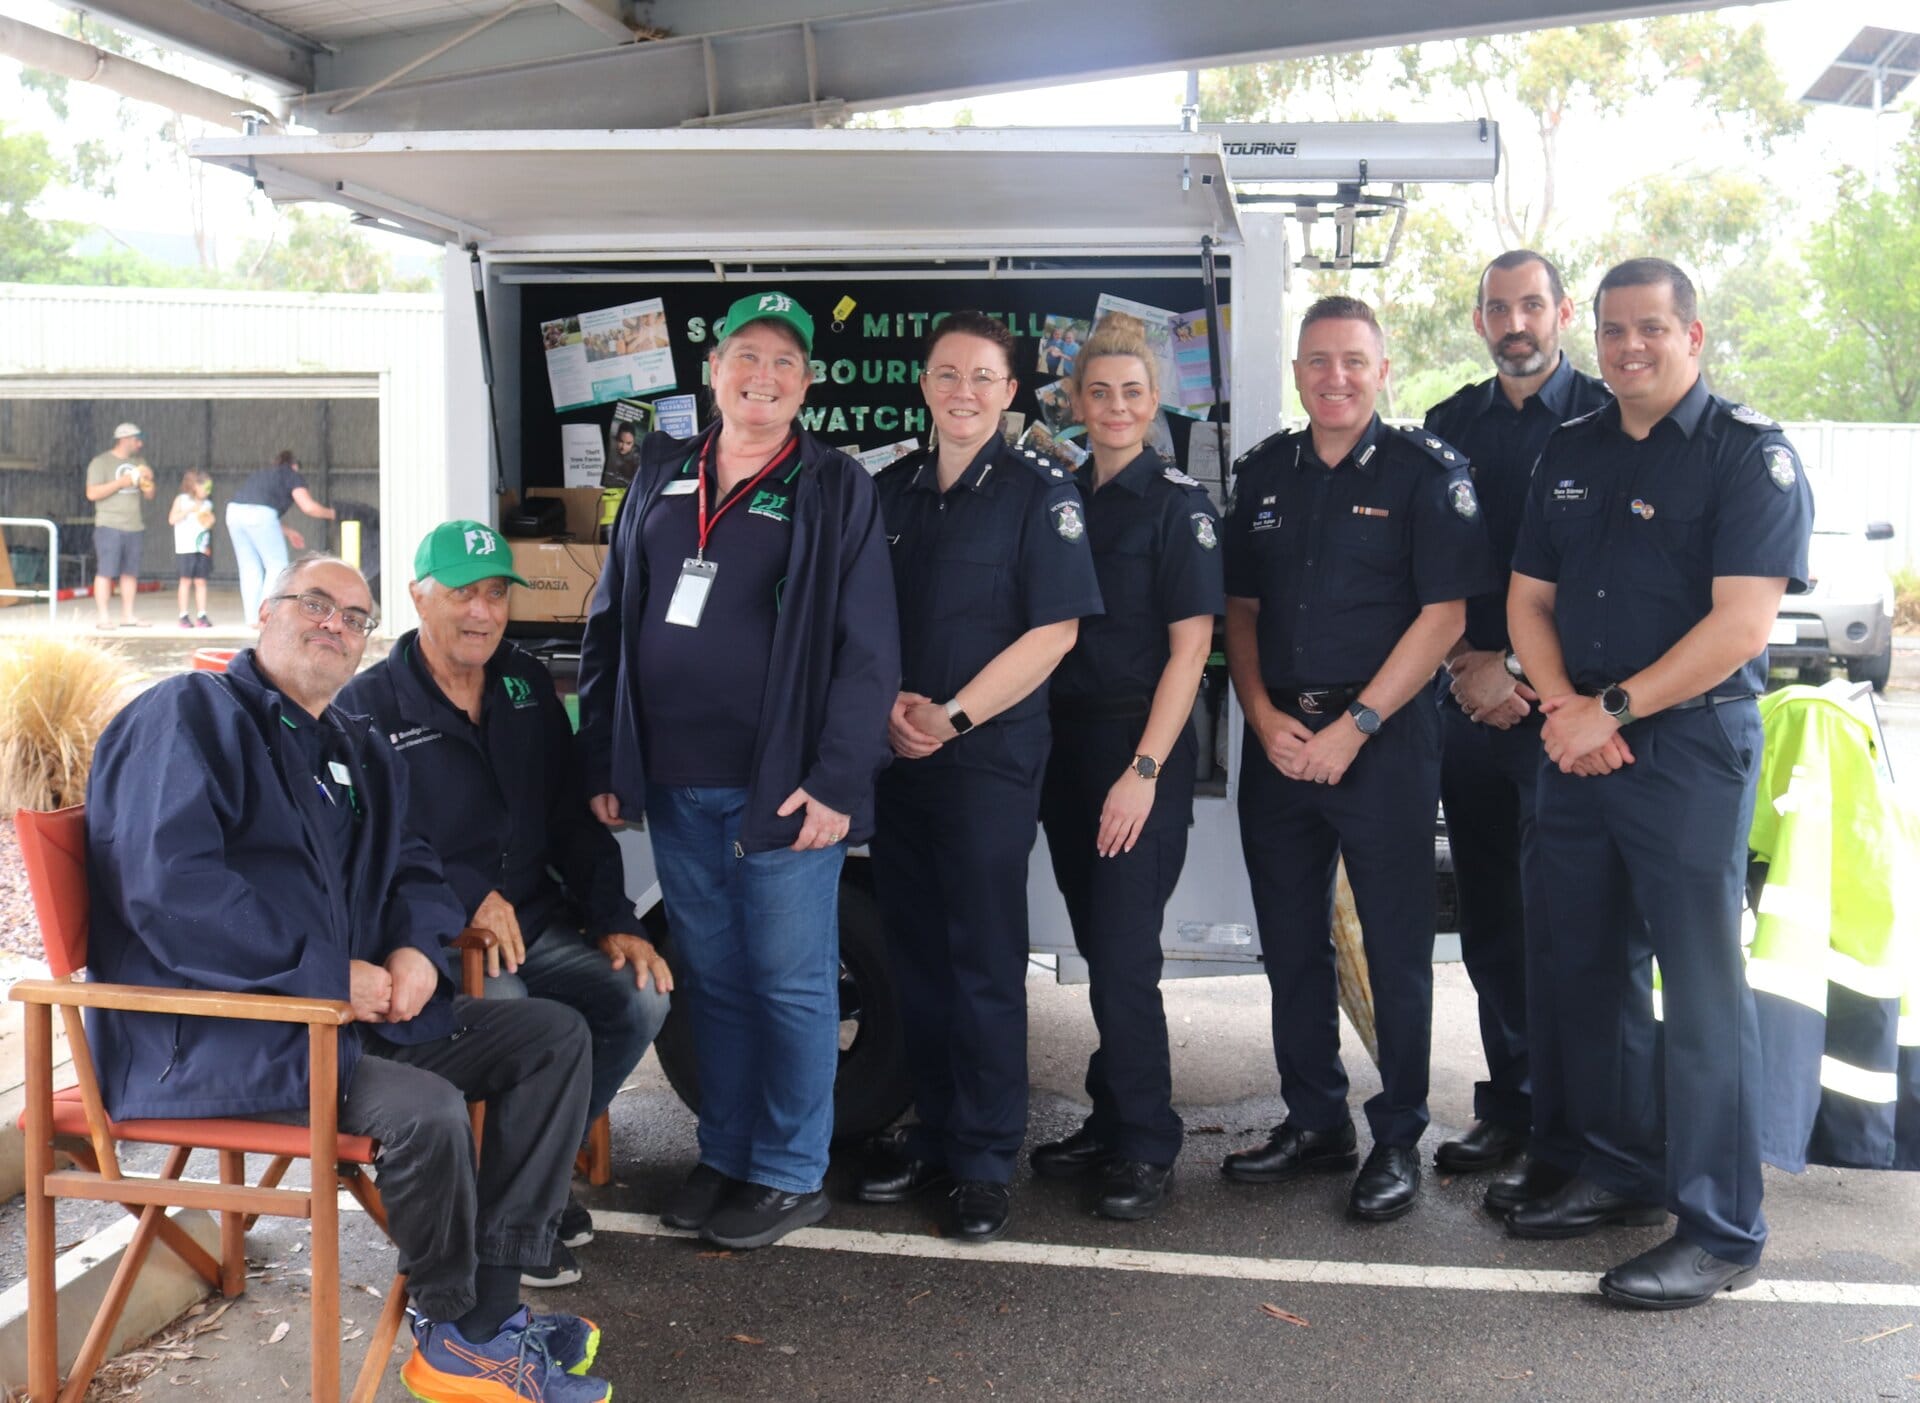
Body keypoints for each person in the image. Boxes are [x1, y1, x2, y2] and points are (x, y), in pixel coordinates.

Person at [84, 553, 610, 1402]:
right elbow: (174, 891)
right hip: (218, 1035)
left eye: (354, 617)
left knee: (553, 1035)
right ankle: (449, 1332)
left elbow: (412, 864)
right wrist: (333, 976)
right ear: (264, 611)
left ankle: (491, 1312)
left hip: (339, 1028)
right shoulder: (188, 716)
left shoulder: (349, 741)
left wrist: (410, 949)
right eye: (316, 605)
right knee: (428, 1113)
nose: (336, 625)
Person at [1506, 258, 1813, 1309]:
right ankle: (1620, 1167)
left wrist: (1613, 710)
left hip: (1683, 746)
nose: (1628, 346)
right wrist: (1562, 710)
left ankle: (1721, 1226)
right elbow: (1527, 598)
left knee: (1700, 988)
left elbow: (1740, 625)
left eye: (1650, 328)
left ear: (1694, 334)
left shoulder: (1748, 456)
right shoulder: (1572, 448)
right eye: (1611, 329)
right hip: (1578, 738)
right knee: (1584, 967)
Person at [578, 290, 899, 1252]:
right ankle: (725, 1152)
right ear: (713, 372)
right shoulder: (663, 472)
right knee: (711, 978)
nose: (764, 377)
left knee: (791, 983)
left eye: (785, 364)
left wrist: (839, 780)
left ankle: (790, 1171)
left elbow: (868, 648)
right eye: (746, 357)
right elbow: (610, 619)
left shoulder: (834, 485)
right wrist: (605, 753)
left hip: (785, 790)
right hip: (676, 782)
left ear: (806, 383)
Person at [1219, 295, 1496, 1223]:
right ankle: (1314, 1120)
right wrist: (1260, 714)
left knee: (1394, 948)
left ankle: (1397, 1135)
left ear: (1381, 370)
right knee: (1290, 942)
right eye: (1317, 361)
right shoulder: (1261, 475)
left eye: (1352, 360)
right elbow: (1243, 614)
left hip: (1381, 745)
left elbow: (1446, 615)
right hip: (1281, 743)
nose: (1334, 377)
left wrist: (1359, 725)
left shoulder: (1427, 474)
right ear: (1297, 372)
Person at [340, 519, 673, 1288]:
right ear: (419, 595)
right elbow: (371, 849)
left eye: (495, 593)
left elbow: (569, 820)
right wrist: (464, 898)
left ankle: (531, 1179)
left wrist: (616, 918)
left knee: (640, 998)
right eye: (462, 592)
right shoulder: (369, 706)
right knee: (516, 1007)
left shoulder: (524, 684)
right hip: (430, 938)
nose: (482, 611)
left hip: (538, 917)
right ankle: (513, 1209)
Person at [857, 311, 1104, 1244]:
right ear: (925, 385)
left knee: (986, 962)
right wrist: (889, 709)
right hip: (900, 758)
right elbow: (859, 618)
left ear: (1010, 394)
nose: (963, 391)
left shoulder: (1044, 496)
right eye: (947, 373)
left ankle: (986, 1157)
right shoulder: (892, 492)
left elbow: (1056, 632)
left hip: (986, 762)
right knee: (914, 953)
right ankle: (935, 1127)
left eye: (983, 377)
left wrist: (951, 716)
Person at [1420, 251, 1615, 1213]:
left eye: (1531, 304)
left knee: (1567, 920)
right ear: (1479, 320)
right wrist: (1468, 667)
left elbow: (1608, 574)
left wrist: (1529, 675)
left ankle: (1568, 1125)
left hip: (1565, 713)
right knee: (1491, 917)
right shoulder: (1449, 426)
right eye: (1499, 308)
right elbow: (1431, 566)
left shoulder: (1607, 417)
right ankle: (1507, 1103)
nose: (1516, 322)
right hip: (1469, 704)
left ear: (1561, 311)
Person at [1029, 318, 1223, 1221]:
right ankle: (1111, 1118)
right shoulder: (1059, 495)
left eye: (1132, 393)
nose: (1114, 407)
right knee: (1097, 942)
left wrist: (1143, 769)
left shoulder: (1179, 505)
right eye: (1098, 392)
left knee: (1122, 952)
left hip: (1136, 750)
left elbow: (1191, 652)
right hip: (1063, 747)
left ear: (1156, 403)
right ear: (1076, 403)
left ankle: (1146, 1142)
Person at [227, 449, 338, 622]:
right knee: (276, 565)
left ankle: (252, 619)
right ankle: (268, 615)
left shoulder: (262, 474)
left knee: (249, 567)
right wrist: (335, 514)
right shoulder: (291, 474)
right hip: (260, 515)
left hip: (234, 512)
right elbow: (308, 507)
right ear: (294, 465)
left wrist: (288, 531)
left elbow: (256, 507)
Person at [85, 421, 154, 630]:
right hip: (109, 525)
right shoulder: (101, 462)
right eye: (136, 440)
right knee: (105, 572)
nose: (139, 444)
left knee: (130, 573)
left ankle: (128, 615)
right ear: (124, 439)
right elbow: (91, 493)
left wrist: (148, 480)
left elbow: (150, 495)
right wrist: (121, 483)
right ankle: (104, 617)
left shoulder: (139, 462)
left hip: (134, 525)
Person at [169, 468, 217, 628]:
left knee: (201, 581)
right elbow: (172, 519)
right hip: (185, 547)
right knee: (185, 581)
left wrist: (209, 519)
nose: (207, 491)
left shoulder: (208, 504)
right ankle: (183, 615)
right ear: (195, 486)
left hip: (201, 547)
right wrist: (189, 510)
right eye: (204, 487)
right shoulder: (182, 500)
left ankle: (201, 614)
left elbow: (207, 524)